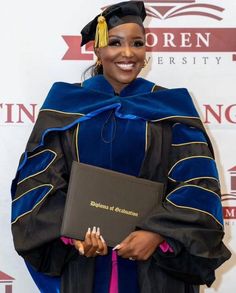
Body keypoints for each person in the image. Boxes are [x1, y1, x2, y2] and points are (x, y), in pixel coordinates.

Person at [11, 1, 231, 293]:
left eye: (137, 43)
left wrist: (157, 234)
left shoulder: (170, 107)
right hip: (87, 267)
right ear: (97, 50)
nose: (128, 53)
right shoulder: (65, 106)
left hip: (156, 269)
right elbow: (38, 185)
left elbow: (197, 184)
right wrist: (72, 236)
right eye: (115, 43)